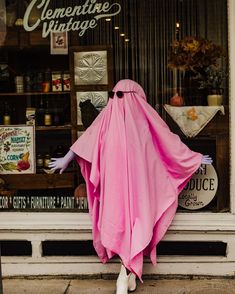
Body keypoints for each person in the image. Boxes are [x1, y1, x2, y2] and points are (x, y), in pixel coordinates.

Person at [49, 79, 212, 293]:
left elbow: (167, 141)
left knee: (129, 225)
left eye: (122, 95)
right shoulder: (129, 119)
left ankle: (126, 274)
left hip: (129, 189)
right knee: (131, 225)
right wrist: (193, 159)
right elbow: (167, 141)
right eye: (117, 95)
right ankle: (125, 275)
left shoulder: (125, 119)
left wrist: (192, 159)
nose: (120, 100)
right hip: (126, 189)